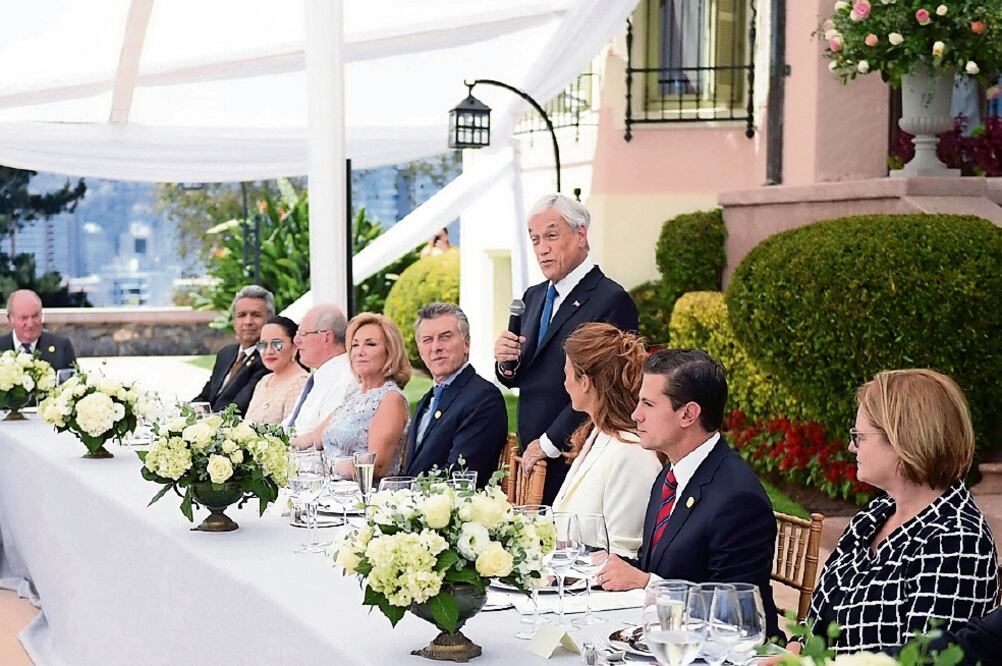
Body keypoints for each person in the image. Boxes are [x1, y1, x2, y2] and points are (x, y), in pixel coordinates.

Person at [804, 369, 999, 655]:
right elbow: (816, 622)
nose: (850, 446)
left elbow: (919, 659)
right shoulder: (874, 516)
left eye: (859, 437)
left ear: (902, 441)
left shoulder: (956, 541)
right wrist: (798, 648)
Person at [595, 348, 781, 639]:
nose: (636, 415)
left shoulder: (738, 500)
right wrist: (612, 566)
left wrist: (646, 583)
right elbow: (659, 566)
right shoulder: (670, 475)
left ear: (688, 414)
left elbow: (736, 616)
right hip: (667, 638)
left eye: (648, 404)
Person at [494, 193, 638, 504]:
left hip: (575, 452)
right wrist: (505, 362)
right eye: (534, 240)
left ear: (581, 233)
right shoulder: (532, 297)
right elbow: (521, 377)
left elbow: (605, 387)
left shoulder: (610, 299)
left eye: (551, 235)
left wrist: (549, 443)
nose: (542, 248)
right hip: (532, 452)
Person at [552, 323, 662, 558]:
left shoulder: (632, 453)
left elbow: (624, 555)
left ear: (585, 381)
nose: (564, 383)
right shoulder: (596, 435)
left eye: (566, 374)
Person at [402, 303, 507, 487]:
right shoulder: (426, 400)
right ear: (420, 349)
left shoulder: (483, 398)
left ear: (466, 344)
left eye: (445, 337)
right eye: (427, 340)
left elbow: (460, 477)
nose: (436, 347)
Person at [318, 313, 410, 480]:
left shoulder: (391, 399)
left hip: (367, 499)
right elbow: (314, 437)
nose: (359, 352)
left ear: (389, 352)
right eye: (354, 345)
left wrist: (324, 467)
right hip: (331, 491)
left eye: (370, 344)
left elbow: (375, 466)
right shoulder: (354, 396)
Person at [192, 285, 272, 414]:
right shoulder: (226, 353)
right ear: (234, 321)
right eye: (241, 315)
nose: (248, 321)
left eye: (256, 315)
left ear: (270, 320)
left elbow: (240, 407)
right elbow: (206, 396)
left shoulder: (269, 358)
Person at [286, 304, 357, 447]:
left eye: (303, 334)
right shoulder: (320, 376)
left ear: (327, 337)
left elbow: (325, 442)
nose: (296, 341)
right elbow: (290, 426)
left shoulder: (345, 380)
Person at [244, 316, 309, 425]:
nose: (268, 351)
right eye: (263, 344)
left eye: (277, 344)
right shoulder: (264, 380)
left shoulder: (301, 383)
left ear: (294, 347)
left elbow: (291, 433)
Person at [1, 289, 76, 370]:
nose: (30, 324)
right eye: (24, 318)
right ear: (10, 319)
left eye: (35, 316)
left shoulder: (62, 348)